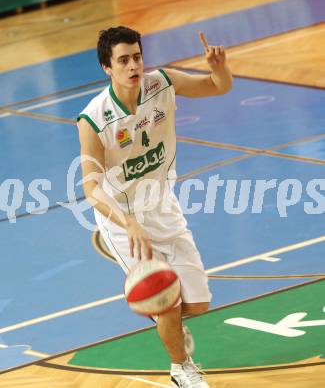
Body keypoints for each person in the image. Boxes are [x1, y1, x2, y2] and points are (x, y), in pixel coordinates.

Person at [77, 26, 232, 387]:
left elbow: (217, 86)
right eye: (123, 60)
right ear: (107, 68)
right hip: (120, 219)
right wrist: (127, 222)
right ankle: (182, 369)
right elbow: (91, 189)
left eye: (137, 57)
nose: (133, 66)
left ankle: (169, 323)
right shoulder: (93, 119)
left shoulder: (163, 83)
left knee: (198, 304)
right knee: (167, 305)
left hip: (163, 205)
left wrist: (219, 67)